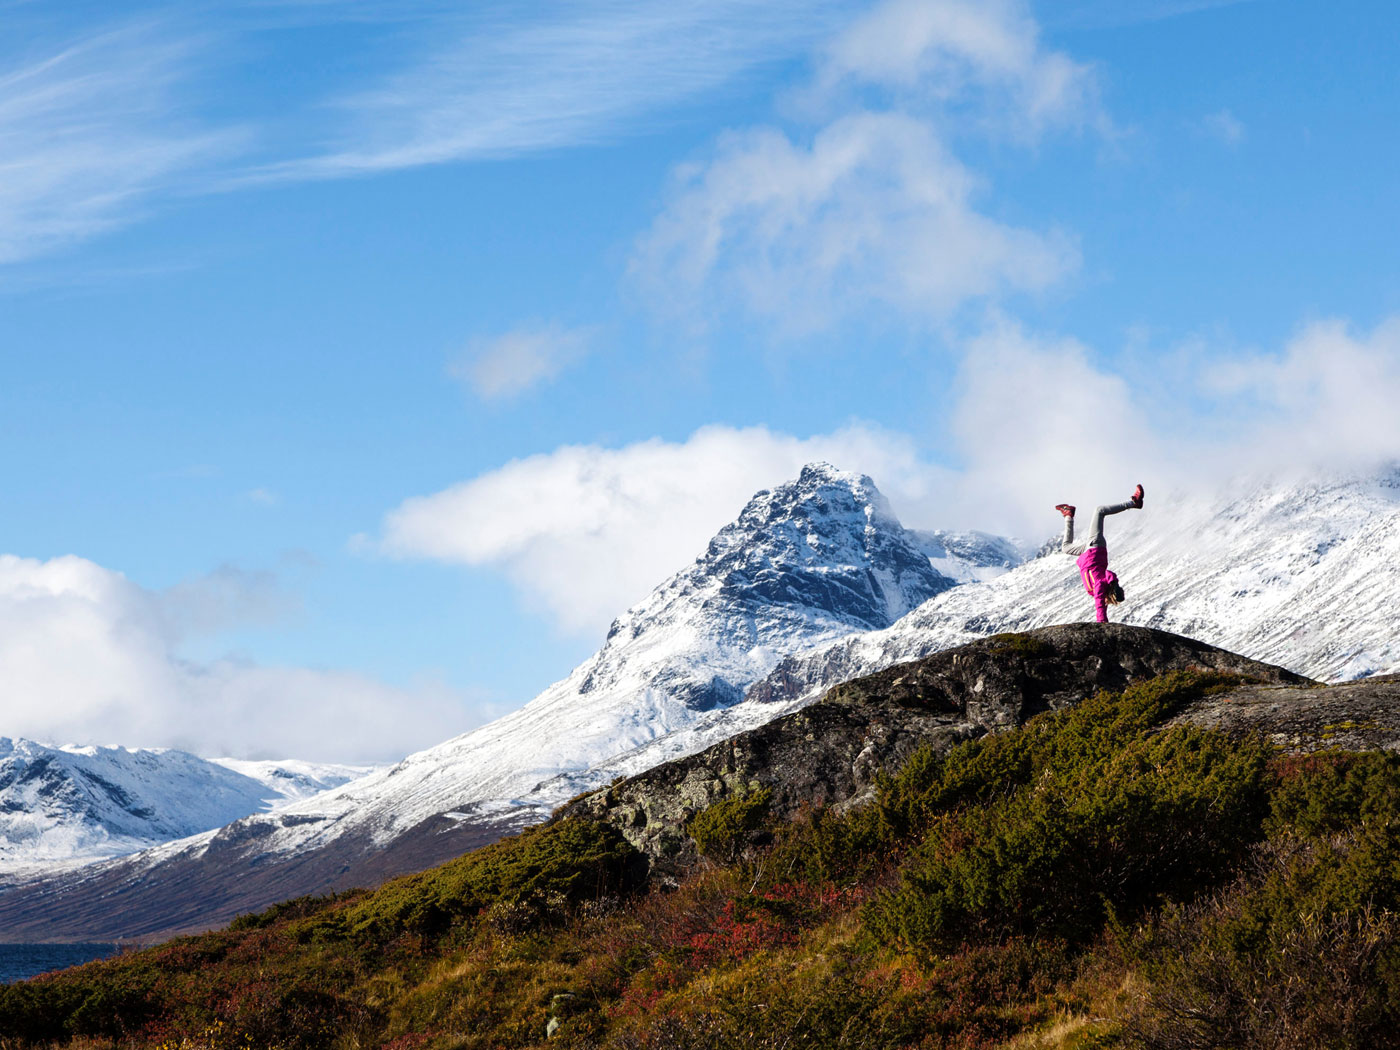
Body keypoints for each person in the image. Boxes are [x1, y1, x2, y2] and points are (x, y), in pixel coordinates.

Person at [1055, 485, 1144, 623]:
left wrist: (1113, 585)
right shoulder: (1102, 584)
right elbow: (1100, 605)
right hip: (1094, 547)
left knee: (1066, 548)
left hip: (1087, 552)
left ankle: (1068, 514)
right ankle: (1134, 503)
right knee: (1099, 511)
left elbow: (1101, 601)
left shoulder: (1098, 589)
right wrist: (1102, 622)